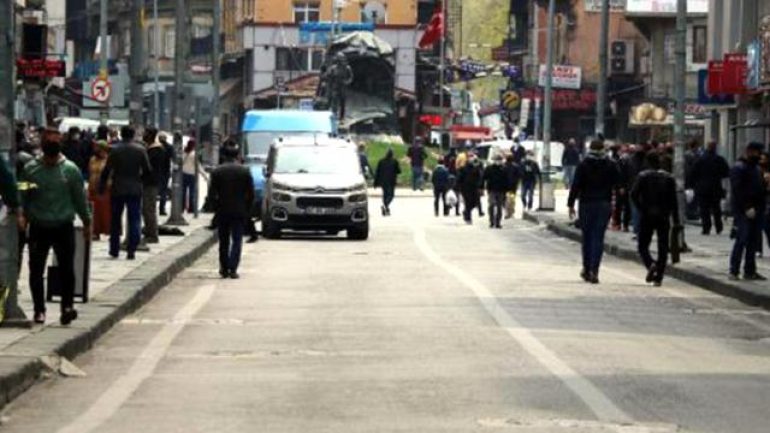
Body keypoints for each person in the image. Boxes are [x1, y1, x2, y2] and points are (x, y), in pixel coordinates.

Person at [19, 129, 91, 325]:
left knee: (67, 269)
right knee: (36, 270)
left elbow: (80, 199)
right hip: (39, 226)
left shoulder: (70, 170)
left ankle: (67, 307)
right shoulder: (31, 169)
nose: (50, 162)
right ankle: (39, 310)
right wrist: (22, 214)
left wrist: (87, 222)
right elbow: (23, 194)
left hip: (63, 226)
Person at [567, 139, 620, 284]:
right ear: (603, 149)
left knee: (587, 237)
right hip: (604, 204)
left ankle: (586, 268)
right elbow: (618, 184)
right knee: (598, 238)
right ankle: (594, 271)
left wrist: (571, 204)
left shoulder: (584, 164)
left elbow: (576, 185)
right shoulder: (610, 165)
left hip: (586, 204)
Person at [99, 125, 152, 260]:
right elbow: (148, 170)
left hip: (117, 188)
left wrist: (102, 186)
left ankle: (114, 249)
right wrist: (141, 181)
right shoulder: (140, 150)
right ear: (133, 134)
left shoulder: (115, 150)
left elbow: (107, 170)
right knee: (134, 219)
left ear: (121, 134)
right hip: (135, 188)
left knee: (115, 220)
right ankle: (132, 249)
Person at [631, 151, 680, 286]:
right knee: (663, 246)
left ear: (647, 162)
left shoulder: (643, 176)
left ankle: (651, 264)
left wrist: (641, 208)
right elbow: (674, 201)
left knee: (642, 245)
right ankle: (659, 276)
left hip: (647, 214)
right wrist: (675, 220)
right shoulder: (669, 178)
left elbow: (634, 194)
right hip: (664, 216)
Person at [209, 144, 254, 279]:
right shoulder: (244, 171)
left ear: (224, 156)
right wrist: (247, 209)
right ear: (237, 156)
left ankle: (224, 268)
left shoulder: (217, 171)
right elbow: (250, 194)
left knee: (223, 241)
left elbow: (211, 195)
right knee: (237, 240)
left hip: (222, 211)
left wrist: (215, 209)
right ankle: (233, 268)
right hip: (239, 211)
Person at [728, 142, 767, 280]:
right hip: (743, 211)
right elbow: (738, 190)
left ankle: (749, 271)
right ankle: (734, 270)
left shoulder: (756, 168)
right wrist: (746, 207)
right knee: (742, 239)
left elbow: (760, 189)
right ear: (750, 151)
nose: (760, 155)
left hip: (757, 209)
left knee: (753, 241)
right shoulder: (739, 168)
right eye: (758, 152)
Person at [689, 141, 730, 235]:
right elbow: (726, 172)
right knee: (716, 208)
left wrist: (693, 185)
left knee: (704, 209)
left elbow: (693, 173)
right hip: (715, 187)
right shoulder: (719, 159)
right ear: (715, 148)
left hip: (702, 188)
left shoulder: (700, 159)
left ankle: (706, 227)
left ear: (707, 147)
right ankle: (719, 227)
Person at [87, 140, 111, 241]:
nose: (95, 149)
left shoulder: (109, 160)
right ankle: (95, 232)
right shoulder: (92, 159)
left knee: (105, 211)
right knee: (93, 211)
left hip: (105, 189)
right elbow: (89, 172)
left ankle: (109, 231)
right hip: (93, 188)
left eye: (97, 147)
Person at [143, 128, 163, 243]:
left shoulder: (156, 150)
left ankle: (152, 235)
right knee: (146, 209)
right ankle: (149, 232)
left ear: (150, 135)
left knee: (149, 209)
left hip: (151, 183)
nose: (144, 135)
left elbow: (149, 168)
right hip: (148, 182)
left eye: (146, 133)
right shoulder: (150, 148)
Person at [483, 153, 508, 229]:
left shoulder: (504, 169)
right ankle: (491, 221)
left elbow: (507, 180)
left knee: (499, 207)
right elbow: (484, 177)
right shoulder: (489, 168)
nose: (497, 161)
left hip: (501, 190)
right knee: (491, 205)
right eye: (496, 160)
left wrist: (507, 189)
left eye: (499, 160)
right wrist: (481, 187)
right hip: (491, 190)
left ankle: (498, 222)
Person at [457, 154, 483, 224]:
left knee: (474, 203)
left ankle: (466, 212)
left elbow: (480, 177)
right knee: (468, 203)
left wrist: (480, 186)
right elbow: (459, 178)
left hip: (474, 187)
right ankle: (468, 218)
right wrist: (459, 187)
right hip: (465, 188)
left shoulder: (477, 168)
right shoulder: (463, 168)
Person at [374, 149, 400, 216]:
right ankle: (386, 205)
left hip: (382, 181)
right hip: (391, 181)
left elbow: (377, 172)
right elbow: (399, 171)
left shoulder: (381, 161)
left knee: (385, 194)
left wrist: (375, 182)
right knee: (391, 195)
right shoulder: (394, 161)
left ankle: (386, 207)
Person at [158, 133, 174, 216]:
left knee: (155, 191)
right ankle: (161, 209)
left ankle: (154, 209)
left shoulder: (156, 146)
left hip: (156, 172)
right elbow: (173, 158)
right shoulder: (169, 147)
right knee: (163, 191)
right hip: (165, 171)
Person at [504, 153, 521, 219]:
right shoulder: (516, 166)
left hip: (505, 186)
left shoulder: (504, 166)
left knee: (506, 200)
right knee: (511, 199)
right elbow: (519, 176)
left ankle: (508, 212)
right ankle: (511, 212)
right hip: (513, 187)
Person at [182, 139, 197, 213]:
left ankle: (182, 207)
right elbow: (197, 165)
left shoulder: (184, 153)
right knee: (192, 192)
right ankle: (191, 208)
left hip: (183, 173)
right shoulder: (194, 154)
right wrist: (204, 174)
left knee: (183, 192)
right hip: (192, 174)